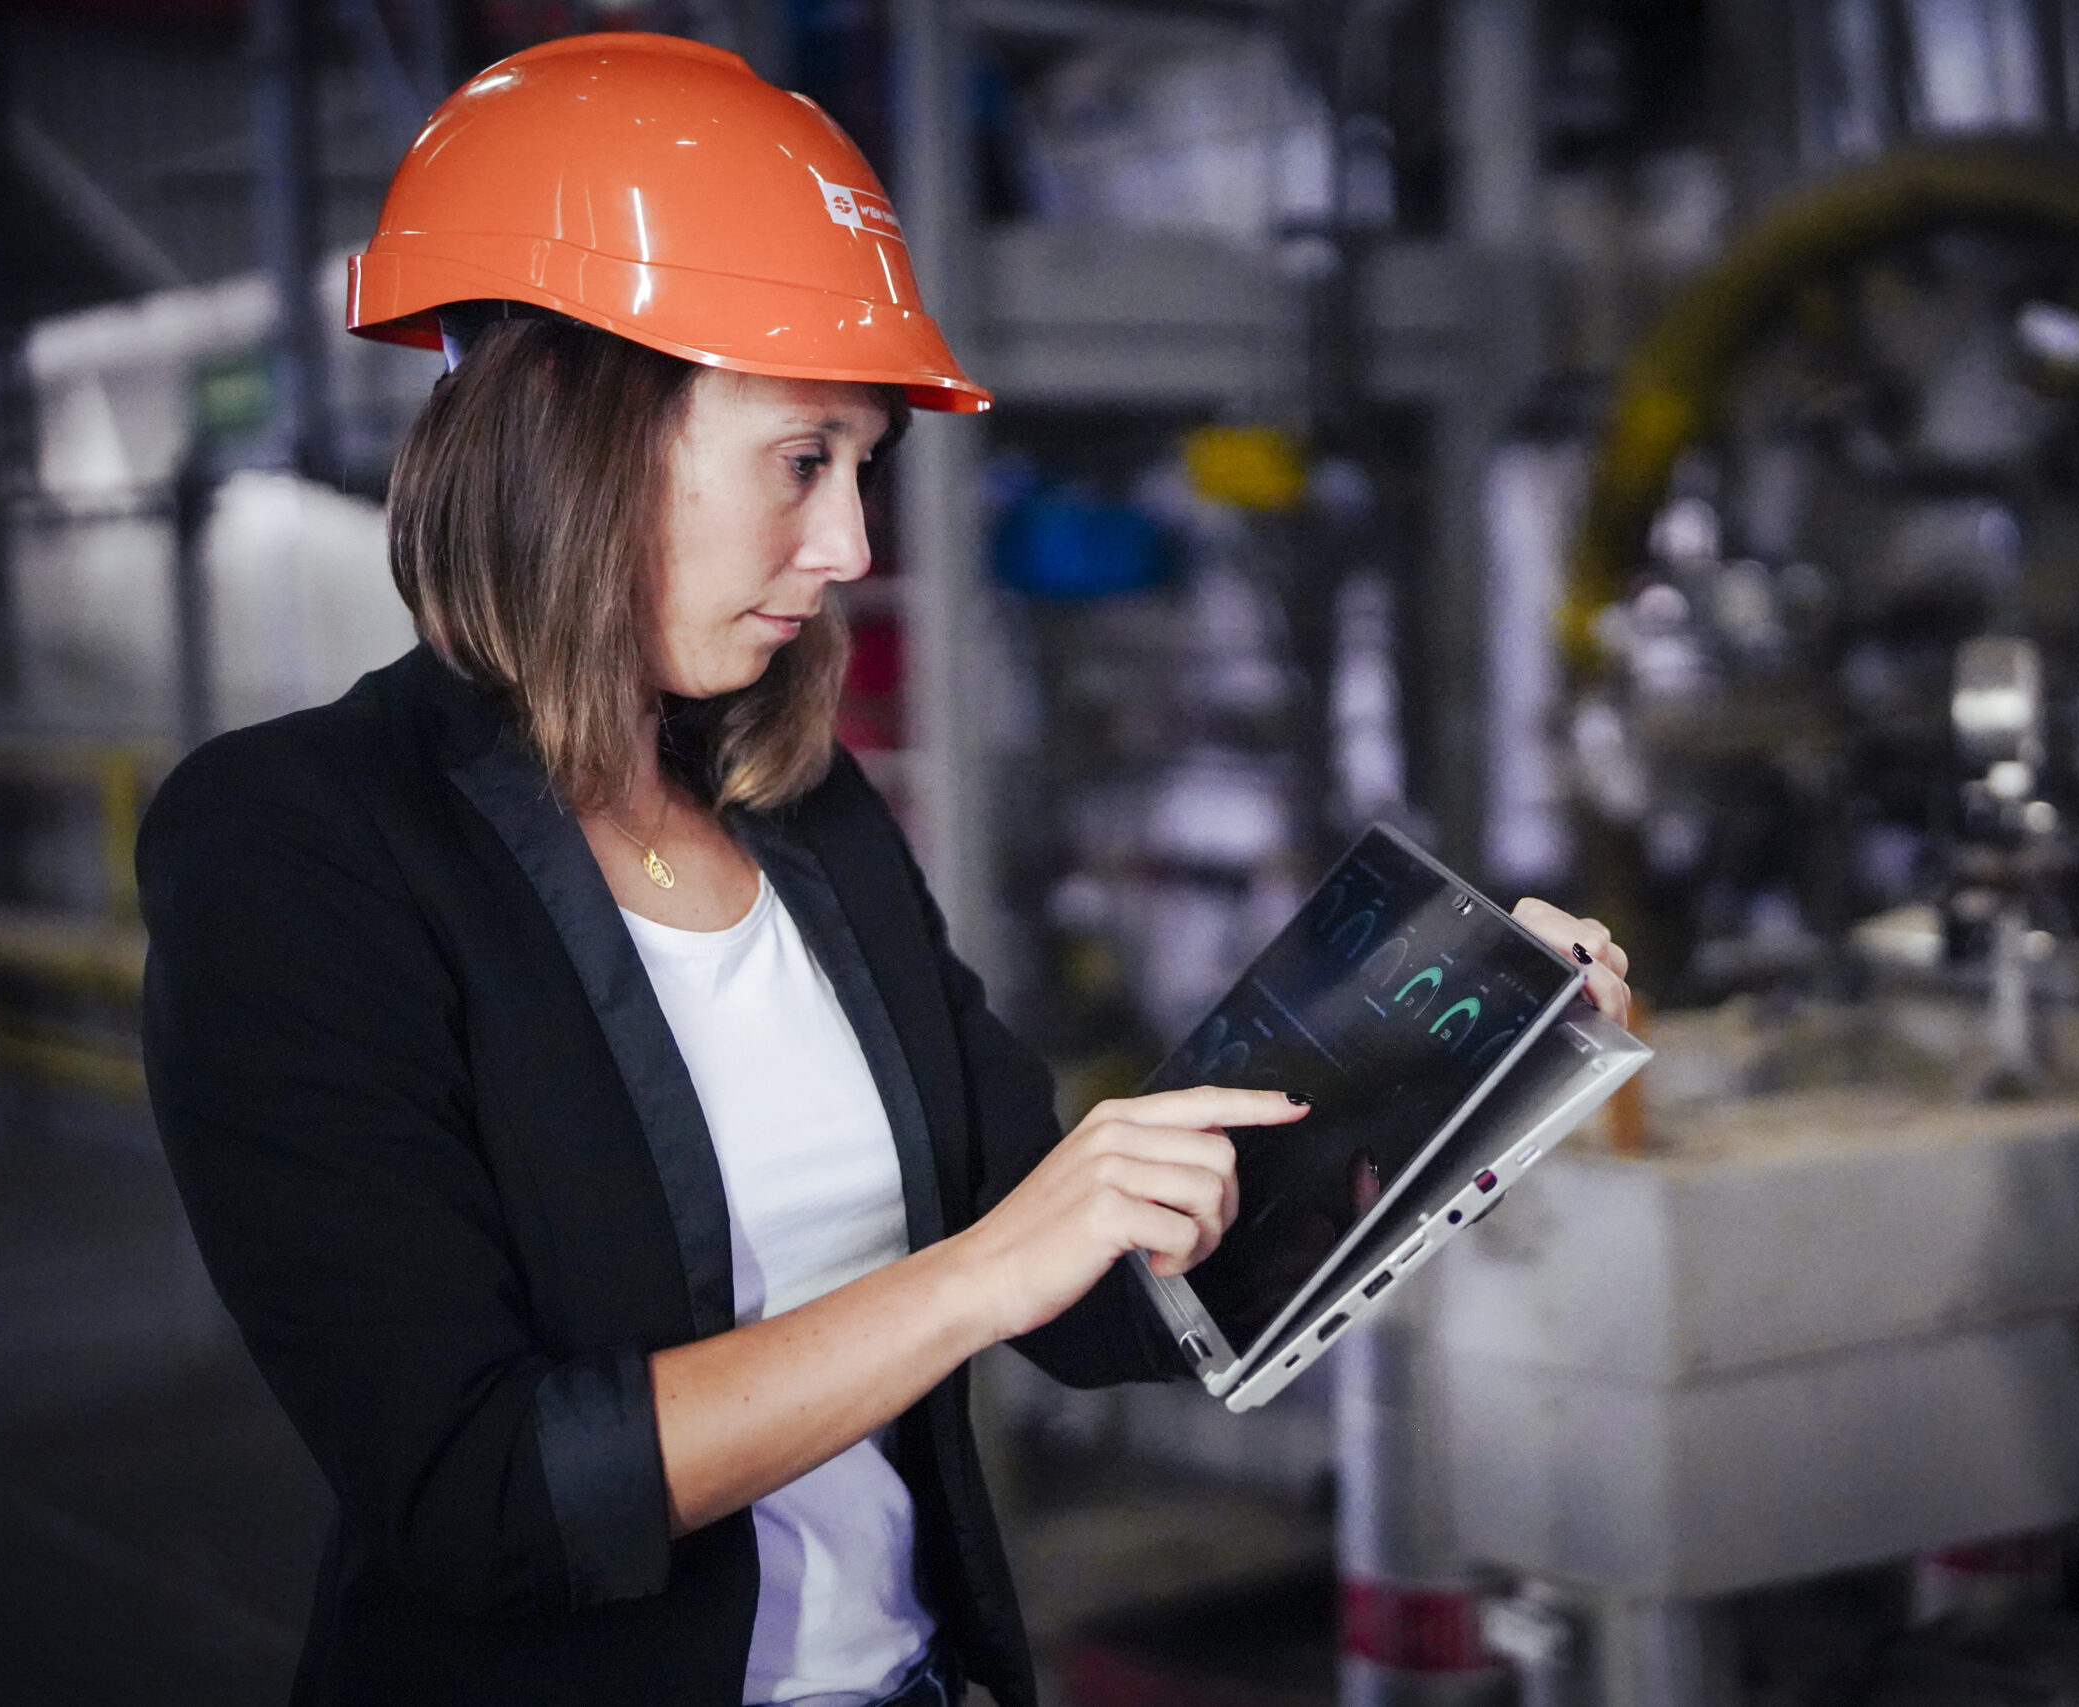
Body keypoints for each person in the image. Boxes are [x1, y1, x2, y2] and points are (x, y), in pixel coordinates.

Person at [137, 31, 1633, 1707]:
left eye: (862, 468)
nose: (849, 546)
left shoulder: (805, 811)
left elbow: (1083, 1291)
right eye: (801, 460)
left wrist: (1448, 1073)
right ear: (582, 434)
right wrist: (980, 1275)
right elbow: (486, 1501)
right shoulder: (295, 845)